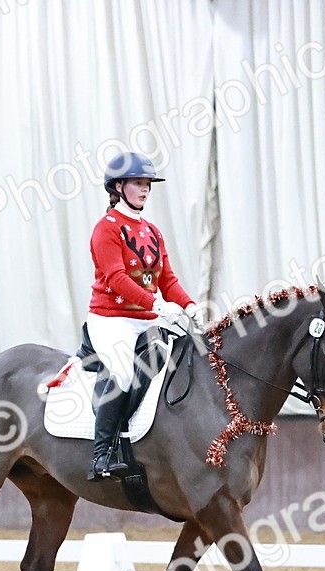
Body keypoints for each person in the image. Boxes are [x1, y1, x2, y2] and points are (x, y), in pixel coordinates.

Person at [85, 152, 200, 481]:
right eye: (138, 183)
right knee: (122, 373)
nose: (146, 189)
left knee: (171, 366)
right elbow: (115, 278)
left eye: (148, 184)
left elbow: (168, 280)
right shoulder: (105, 229)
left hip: (147, 318)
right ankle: (103, 454)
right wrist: (158, 305)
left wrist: (190, 307)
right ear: (119, 187)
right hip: (111, 318)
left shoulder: (153, 231)